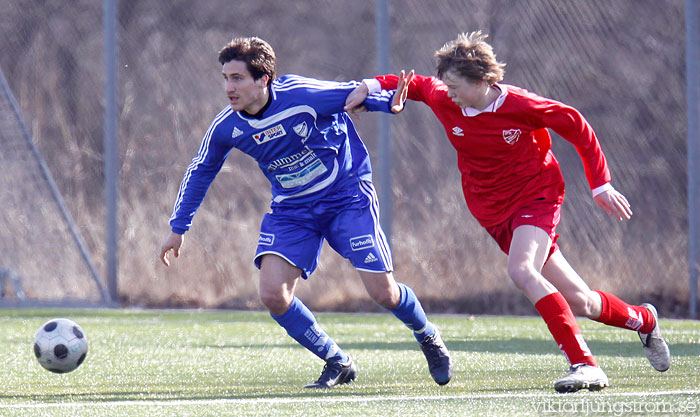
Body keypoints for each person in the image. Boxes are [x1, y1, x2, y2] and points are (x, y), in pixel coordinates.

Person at [345, 31, 670, 393]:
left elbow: (576, 124)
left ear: (485, 80)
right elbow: (414, 83)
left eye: (454, 85)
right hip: (493, 212)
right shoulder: (444, 98)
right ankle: (644, 320)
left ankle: (585, 364)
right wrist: (367, 85)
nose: (446, 91)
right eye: (445, 85)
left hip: (537, 196)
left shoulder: (521, 105)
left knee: (521, 270)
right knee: (584, 302)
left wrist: (601, 183)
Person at [158, 37, 452, 389]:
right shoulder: (227, 126)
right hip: (293, 210)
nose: (228, 88)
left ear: (262, 79)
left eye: (237, 78)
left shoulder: (301, 95)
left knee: (383, 293)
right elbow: (201, 170)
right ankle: (337, 361)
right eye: (225, 78)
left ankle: (428, 335)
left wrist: (388, 103)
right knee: (273, 295)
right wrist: (178, 227)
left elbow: (352, 94)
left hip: (346, 197)